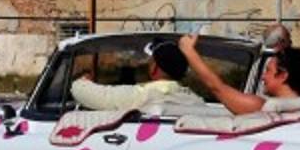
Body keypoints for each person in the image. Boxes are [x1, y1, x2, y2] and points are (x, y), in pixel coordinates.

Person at [178, 33, 300, 115]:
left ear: (283, 75)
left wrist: (188, 51)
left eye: (268, 71)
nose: (263, 77)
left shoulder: (262, 108)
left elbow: (217, 87)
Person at [69, 40, 201, 111]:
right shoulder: (195, 101)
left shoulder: (142, 95)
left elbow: (93, 95)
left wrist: (82, 80)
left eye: (150, 62)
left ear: (154, 69)